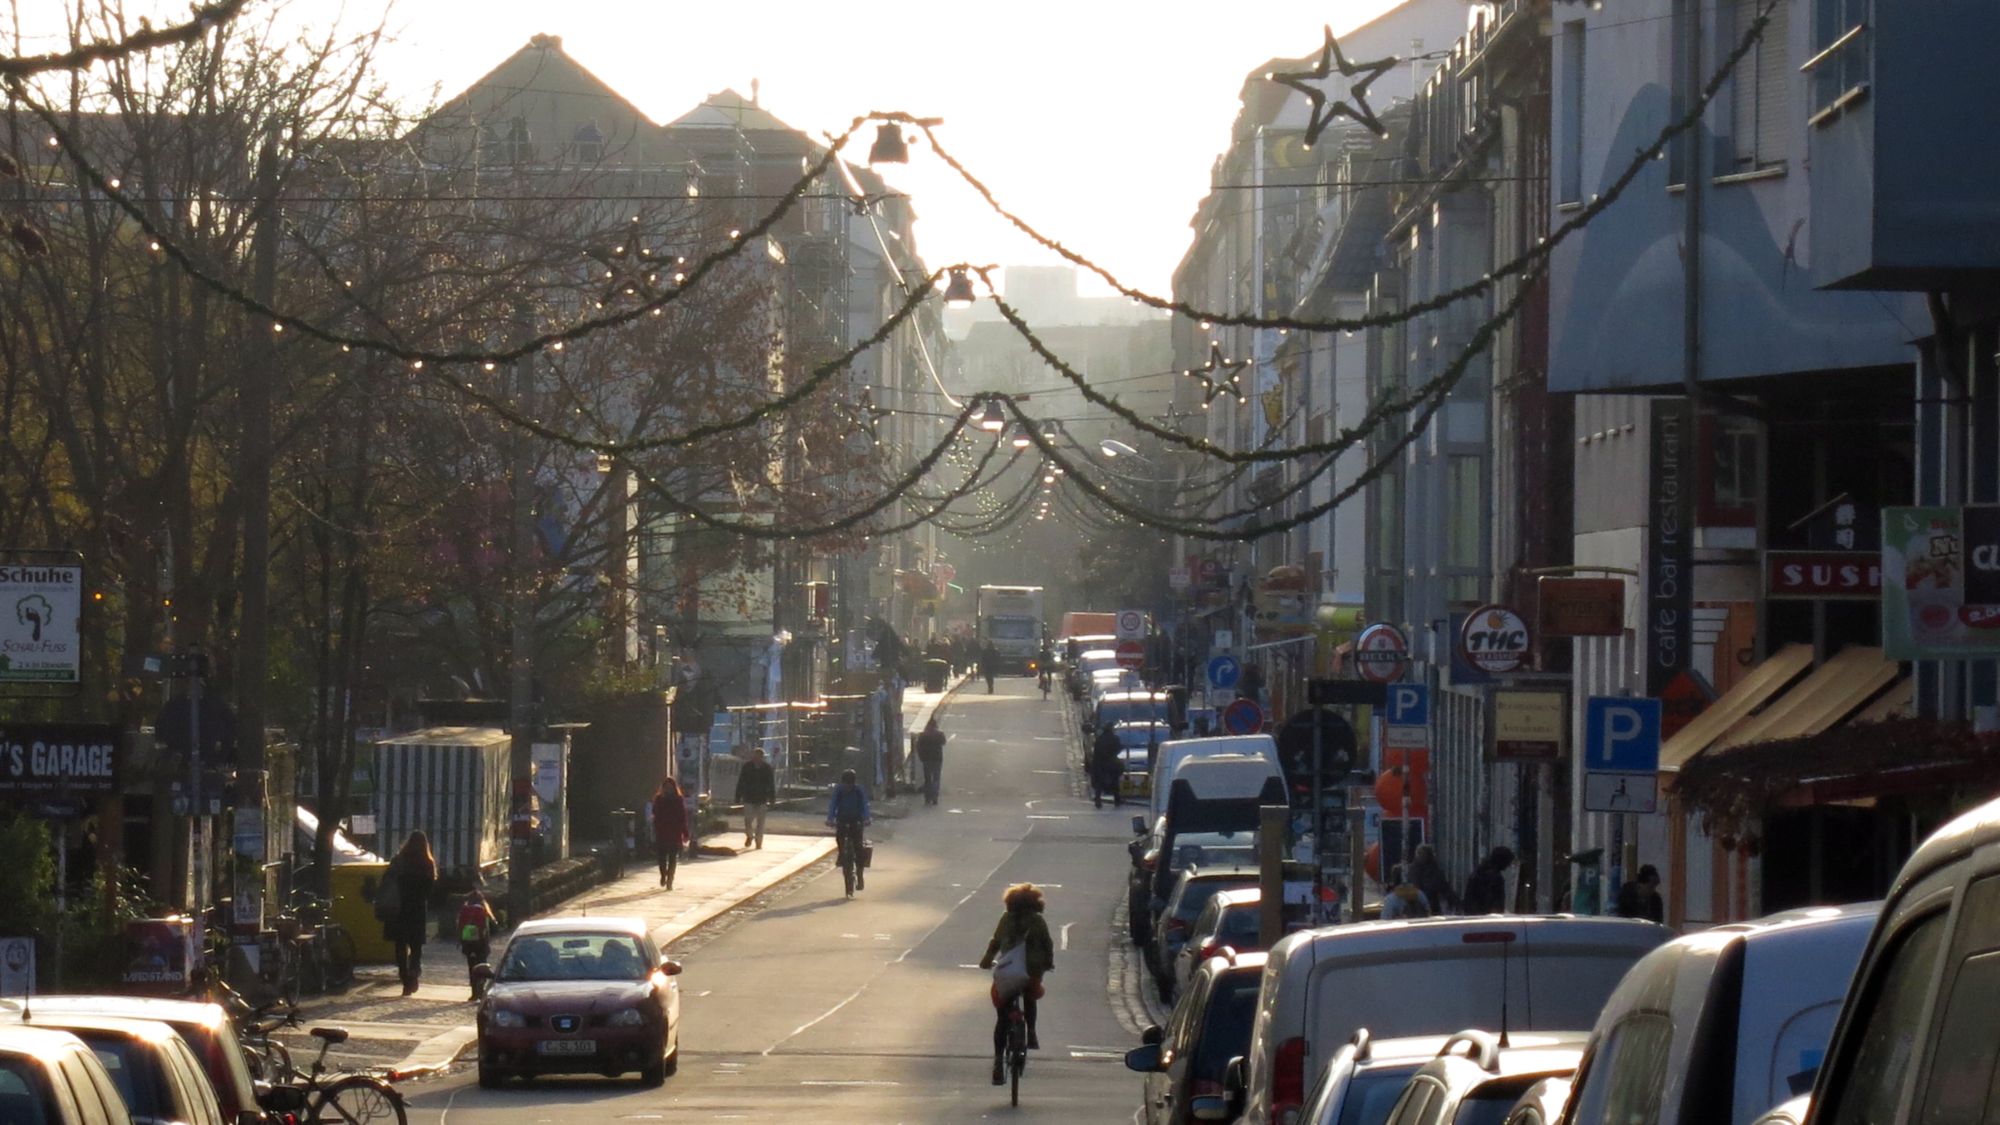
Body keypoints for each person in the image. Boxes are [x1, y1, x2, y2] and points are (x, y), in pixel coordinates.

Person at [978, 882, 1054, 1085]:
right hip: (1031, 970)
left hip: (1009, 970)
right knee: (1030, 997)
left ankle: (998, 1062)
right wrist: (1048, 963)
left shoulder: (1006, 919)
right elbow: (1047, 943)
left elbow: (995, 942)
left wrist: (986, 960)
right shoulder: (1037, 921)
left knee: (1002, 1016)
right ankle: (1031, 1032)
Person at [385, 830, 437, 996]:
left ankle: (404, 976)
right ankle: (414, 971)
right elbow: (430, 889)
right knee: (416, 945)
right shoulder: (427, 863)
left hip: (399, 907)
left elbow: (387, 880)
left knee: (400, 944)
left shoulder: (399, 860)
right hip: (417, 908)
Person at [826, 768, 872, 897]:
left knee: (858, 847)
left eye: (849, 784)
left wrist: (867, 818)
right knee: (839, 839)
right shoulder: (838, 791)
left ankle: (860, 873)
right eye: (846, 784)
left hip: (856, 820)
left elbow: (865, 805)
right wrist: (830, 819)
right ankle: (842, 856)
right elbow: (833, 805)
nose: (847, 787)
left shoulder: (859, 790)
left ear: (853, 783)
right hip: (842, 819)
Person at [457, 887, 499, 1001]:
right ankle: (481, 989)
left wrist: (460, 941)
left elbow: (459, 926)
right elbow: (493, 925)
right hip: (481, 943)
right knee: (482, 966)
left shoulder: (465, 909)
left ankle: (474, 992)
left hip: (468, 943)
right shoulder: (483, 908)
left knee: (471, 967)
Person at [651, 777, 690, 890]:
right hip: (662, 832)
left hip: (674, 832)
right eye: (666, 787)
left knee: (673, 858)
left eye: (670, 788)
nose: (668, 790)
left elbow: (682, 817)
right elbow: (655, 814)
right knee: (662, 858)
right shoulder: (659, 799)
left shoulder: (678, 800)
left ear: (674, 788)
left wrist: (685, 833)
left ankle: (670, 880)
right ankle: (663, 874)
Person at [735, 747, 776, 849]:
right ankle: (750, 835)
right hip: (749, 797)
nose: (757, 758)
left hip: (762, 798)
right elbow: (741, 781)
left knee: (760, 823)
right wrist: (738, 796)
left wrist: (772, 798)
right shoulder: (747, 767)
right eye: (755, 756)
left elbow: (771, 784)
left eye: (759, 756)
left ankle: (758, 842)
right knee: (748, 820)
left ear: (762, 757)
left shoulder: (767, 768)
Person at [1406, 844, 1459, 915]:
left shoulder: (1434, 870)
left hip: (1430, 905)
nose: (1421, 857)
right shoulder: (1413, 870)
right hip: (1417, 905)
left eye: (1423, 854)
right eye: (1420, 854)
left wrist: (1456, 902)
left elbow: (1445, 887)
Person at [1463, 845, 1516, 915]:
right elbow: (1493, 902)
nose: (1508, 866)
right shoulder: (1494, 877)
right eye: (1507, 862)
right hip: (1487, 916)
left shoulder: (1478, 873)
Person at [1089, 724, 1124, 810]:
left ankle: (1098, 800)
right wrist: (1113, 755)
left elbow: (1096, 752)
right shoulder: (1115, 738)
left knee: (1099, 783)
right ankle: (1117, 800)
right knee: (1115, 781)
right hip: (1112, 762)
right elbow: (1118, 748)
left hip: (1100, 763)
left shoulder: (1100, 739)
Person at [914, 718, 947, 806]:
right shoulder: (939, 734)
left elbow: (918, 746)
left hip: (926, 759)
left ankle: (927, 797)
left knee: (927, 779)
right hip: (937, 759)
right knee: (936, 778)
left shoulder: (923, 735)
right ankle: (935, 797)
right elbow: (944, 742)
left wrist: (921, 756)